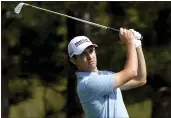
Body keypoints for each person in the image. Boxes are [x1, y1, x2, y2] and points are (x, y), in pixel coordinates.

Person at [68, 28, 147, 118]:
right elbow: (131, 72)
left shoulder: (106, 75)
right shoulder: (87, 83)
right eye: (83, 54)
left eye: (91, 51)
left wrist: (137, 45)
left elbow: (140, 79)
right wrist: (129, 42)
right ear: (74, 60)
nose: (90, 57)